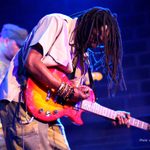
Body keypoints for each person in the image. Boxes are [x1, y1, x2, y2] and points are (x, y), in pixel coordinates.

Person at [0, 7, 130, 150]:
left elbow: (76, 100)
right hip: (22, 104)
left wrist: (111, 114)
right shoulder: (56, 23)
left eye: (99, 43)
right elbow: (32, 62)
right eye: (96, 36)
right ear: (89, 23)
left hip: (47, 111)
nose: (94, 45)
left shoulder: (82, 59)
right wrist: (66, 90)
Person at [0, 24, 28, 150]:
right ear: (6, 41)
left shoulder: (15, 64)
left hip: (10, 127)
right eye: (19, 46)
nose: (21, 51)